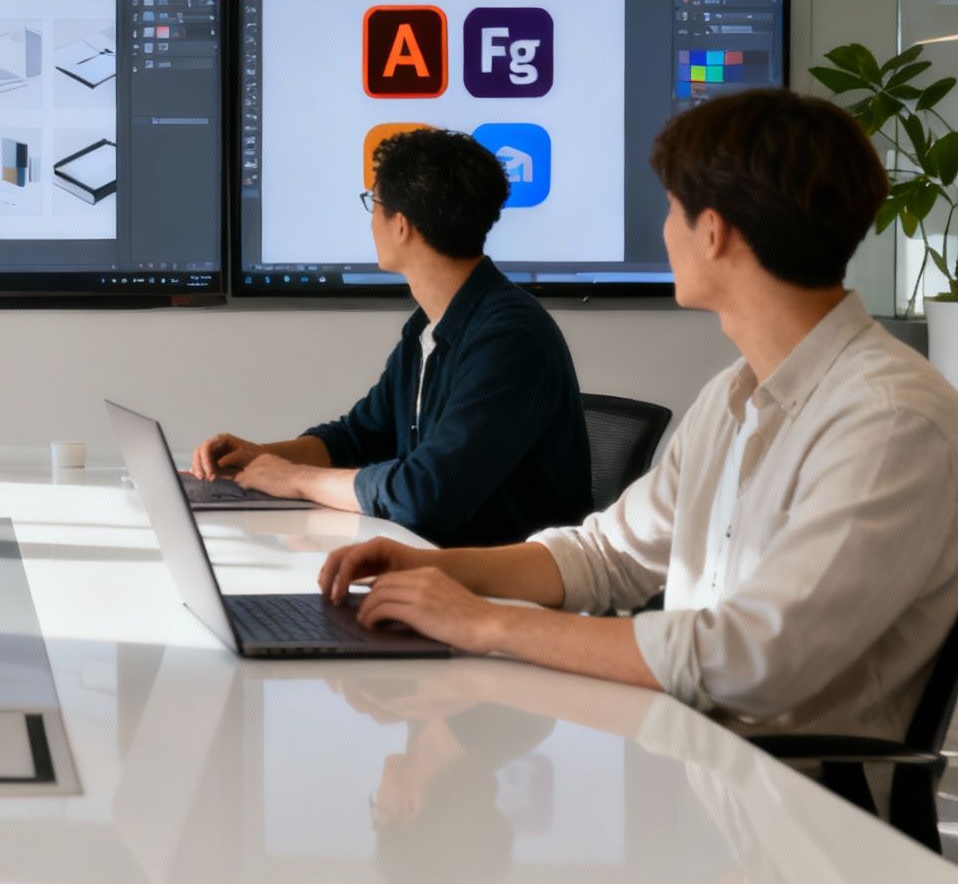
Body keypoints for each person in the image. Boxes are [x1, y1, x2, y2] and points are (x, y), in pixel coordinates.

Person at [321, 89, 958, 742]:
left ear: (713, 232)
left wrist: (486, 623)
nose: (663, 231)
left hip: (788, 811)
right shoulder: (731, 399)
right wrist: (435, 571)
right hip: (692, 767)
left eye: (672, 210)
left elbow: (752, 659)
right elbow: (607, 556)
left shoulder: (889, 420)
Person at [193, 127, 593, 547]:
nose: (371, 219)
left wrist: (295, 479)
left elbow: (425, 494)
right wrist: (259, 457)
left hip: (503, 592)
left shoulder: (511, 340)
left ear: (401, 225)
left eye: (374, 203)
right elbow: (359, 438)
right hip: (433, 565)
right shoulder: (428, 326)